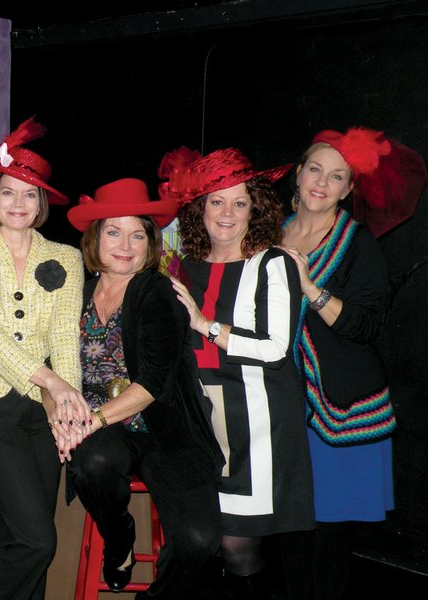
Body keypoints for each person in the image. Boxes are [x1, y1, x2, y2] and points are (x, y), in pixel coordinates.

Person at [280, 127, 426, 600]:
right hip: (285, 399)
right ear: (298, 175)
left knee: (329, 530)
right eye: (315, 169)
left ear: (348, 190)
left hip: (340, 405)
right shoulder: (273, 232)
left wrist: (308, 287)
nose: (322, 182)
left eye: (336, 176)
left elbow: (365, 326)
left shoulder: (356, 242)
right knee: (291, 523)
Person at [0, 117, 89, 600]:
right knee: (37, 538)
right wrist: (53, 385)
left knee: (19, 535)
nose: (19, 203)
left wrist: (65, 409)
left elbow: (65, 337)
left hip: (44, 408)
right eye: (9, 192)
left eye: (30, 195)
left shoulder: (66, 258)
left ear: (42, 202)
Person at [162, 147, 315, 598]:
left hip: (257, 423)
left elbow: (273, 349)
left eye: (239, 202)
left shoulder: (274, 263)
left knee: (237, 548)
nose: (227, 213)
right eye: (216, 201)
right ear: (200, 209)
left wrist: (205, 325)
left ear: (257, 208)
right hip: (198, 421)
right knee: (198, 542)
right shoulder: (178, 263)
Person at [65, 178, 223, 598]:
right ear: (94, 238)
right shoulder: (73, 294)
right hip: (110, 434)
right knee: (93, 463)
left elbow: (153, 382)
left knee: (200, 543)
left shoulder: (156, 290)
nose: (126, 244)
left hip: (168, 432)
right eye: (113, 232)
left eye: (138, 234)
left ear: (150, 242)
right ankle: (119, 544)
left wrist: (91, 421)